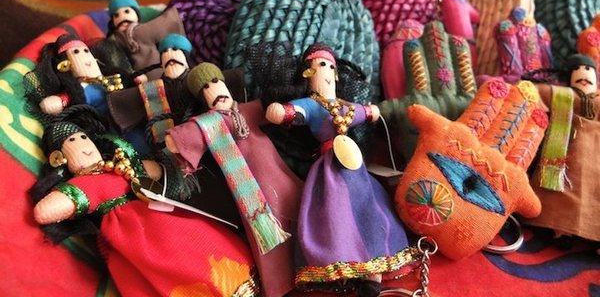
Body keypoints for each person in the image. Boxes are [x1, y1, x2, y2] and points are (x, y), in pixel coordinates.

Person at [31, 121, 258, 297]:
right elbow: (46, 211)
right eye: (72, 142)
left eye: (84, 137)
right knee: (167, 265)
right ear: (59, 158)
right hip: (132, 234)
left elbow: (152, 171)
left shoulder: (120, 165)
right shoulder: (85, 184)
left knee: (197, 243)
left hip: (158, 213)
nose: (83, 145)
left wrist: (148, 169)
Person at [265, 42, 414, 297]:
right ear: (308, 73)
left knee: (370, 209)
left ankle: (373, 272)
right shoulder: (312, 104)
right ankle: (340, 266)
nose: (326, 71)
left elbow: (361, 113)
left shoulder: (345, 106)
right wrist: (285, 112)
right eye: (320, 66)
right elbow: (296, 112)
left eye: (330, 67)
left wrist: (370, 111)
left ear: (336, 74)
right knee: (335, 214)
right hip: (329, 167)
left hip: (355, 166)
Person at [164, 62, 302, 297]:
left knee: (299, 208)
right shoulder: (209, 123)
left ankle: (313, 261)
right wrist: (176, 140)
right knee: (270, 235)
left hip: (281, 175)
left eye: (215, 82)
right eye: (205, 88)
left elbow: (271, 110)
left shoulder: (248, 109)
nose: (213, 90)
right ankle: (282, 284)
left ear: (225, 83)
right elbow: (182, 137)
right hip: (254, 194)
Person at [528, 54, 600, 250]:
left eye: (588, 70)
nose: (584, 75)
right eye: (578, 70)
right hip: (566, 150)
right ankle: (560, 230)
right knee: (562, 193)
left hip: (596, 154)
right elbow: (535, 91)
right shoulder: (562, 94)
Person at [107, 0, 185, 81]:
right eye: (116, 15)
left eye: (127, 11)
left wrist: (177, 14)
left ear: (136, 13)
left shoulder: (142, 30)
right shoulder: (115, 39)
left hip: (156, 74)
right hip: (135, 78)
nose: (122, 17)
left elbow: (164, 25)